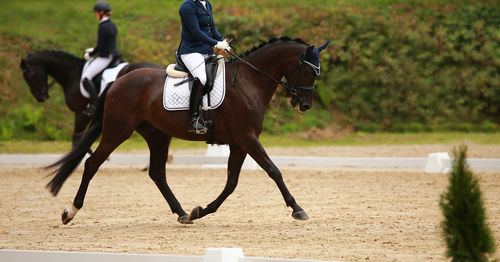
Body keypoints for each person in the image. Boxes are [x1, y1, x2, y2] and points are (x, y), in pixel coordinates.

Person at [178, 0, 230, 133]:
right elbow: (195, 32)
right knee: (201, 78)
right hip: (191, 51)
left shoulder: (207, 3)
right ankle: (193, 120)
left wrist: (222, 40)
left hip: (206, 51)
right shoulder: (187, 6)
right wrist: (215, 43)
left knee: (227, 71)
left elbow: (212, 28)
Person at [81, 1, 121, 116]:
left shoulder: (103, 27)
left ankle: (94, 104)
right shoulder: (112, 24)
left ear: (101, 13)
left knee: (86, 77)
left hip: (105, 57)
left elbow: (100, 46)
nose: (95, 15)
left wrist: (91, 54)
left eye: (96, 13)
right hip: (113, 54)